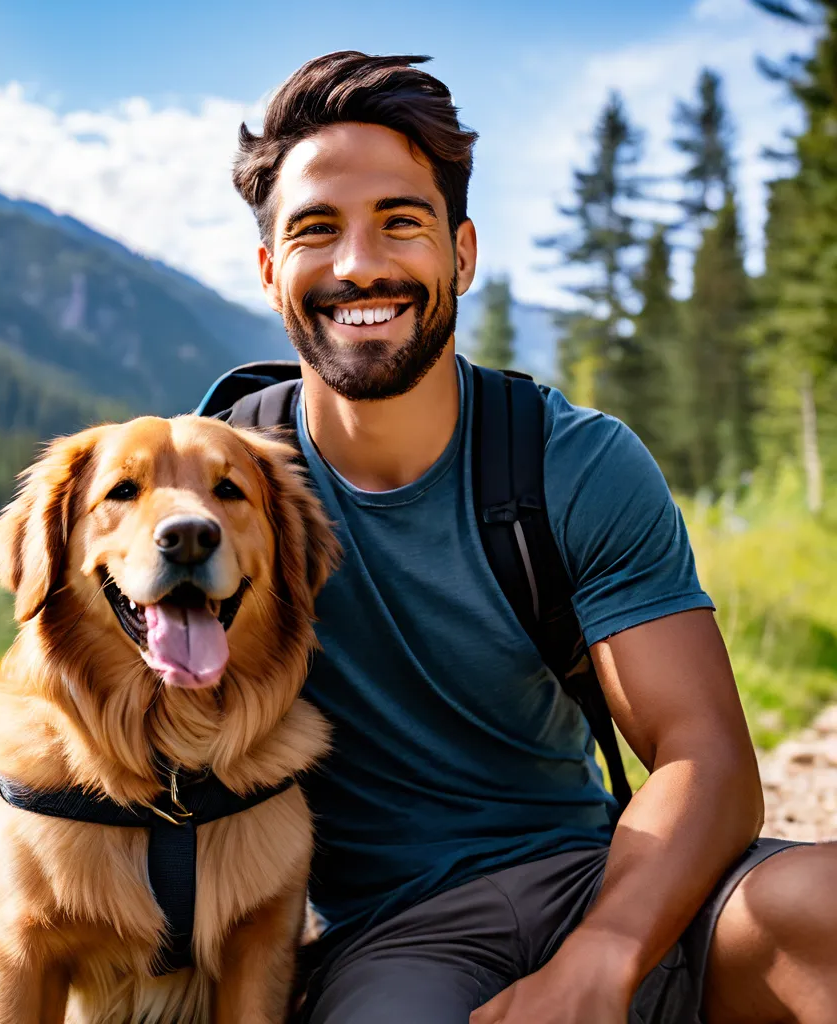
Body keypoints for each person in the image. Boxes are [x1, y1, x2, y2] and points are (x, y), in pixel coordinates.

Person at [209, 51, 837, 1024]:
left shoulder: (569, 463)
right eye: (316, 229)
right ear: (269, 268)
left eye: (400, 223)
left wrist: (603, 955)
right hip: (395, 940)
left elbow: (701, 751)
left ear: (461, 253)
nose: (359, 263)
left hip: (615, 885)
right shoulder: (210, 497)